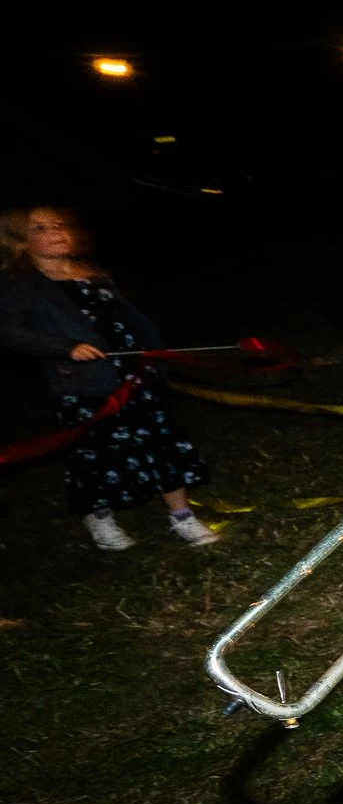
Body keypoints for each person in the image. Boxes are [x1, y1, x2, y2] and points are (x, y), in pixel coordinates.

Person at [0, 206, 219, 550]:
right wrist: (65, 346)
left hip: (135, 376)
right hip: (82, 384)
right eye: (40, 228)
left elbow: (127, 319)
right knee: (97, 453)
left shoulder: (92, 272)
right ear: (20, 242)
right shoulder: (21, 284)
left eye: (59, 224)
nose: (55, 231)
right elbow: (10, 332)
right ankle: (99, 518)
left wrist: (153, 352)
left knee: (161, 443)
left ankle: (183, 518)